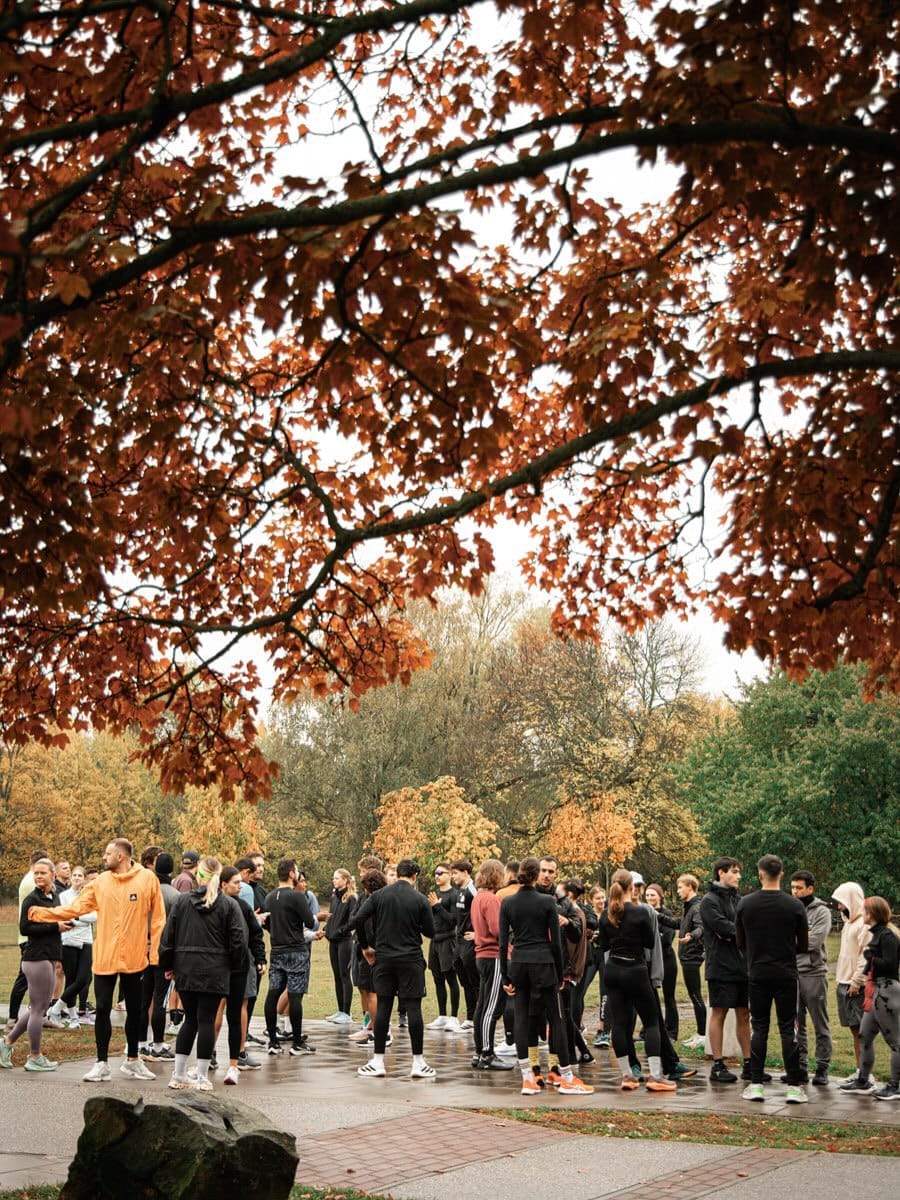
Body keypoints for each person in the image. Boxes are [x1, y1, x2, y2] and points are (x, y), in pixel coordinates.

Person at [28, 837, 165, 1083]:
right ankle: (101, 1063)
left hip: (135, 958)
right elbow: (74, 908)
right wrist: (42, 914)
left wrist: (154, 953)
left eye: (107, 853)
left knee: (135, 1010)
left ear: (121, 856)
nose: (104, 857)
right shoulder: (101, 882)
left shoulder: (147, 879)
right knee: (102, 1008)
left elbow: (158, 920)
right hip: (105, 957)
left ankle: (133, 1060)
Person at [499, 857, 594, 1096]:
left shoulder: (508, 902)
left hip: (519, 962)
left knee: (521, 1018)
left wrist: (505, 976)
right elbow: (555, 943)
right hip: (543, 963)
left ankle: (527, 1078)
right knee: (557, 1019)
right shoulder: (547, 902)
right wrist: (561, 971)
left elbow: (502, 943)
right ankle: (567, 1076)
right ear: (535, 875)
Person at [158, 855, 247, 1091]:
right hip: (215, 970)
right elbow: (239, 942)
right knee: (206, 1020)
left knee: (190, 1020)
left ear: (199, 874)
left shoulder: (182, 902)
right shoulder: (229, 905)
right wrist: (234, 967)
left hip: (185, 968)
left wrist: (167, 965)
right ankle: (201, 1075)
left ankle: (178, 1074)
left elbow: (168, 937)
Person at [352, 858, 437, 1079]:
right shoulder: (419, 899)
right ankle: (418, 1062)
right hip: (410, 959)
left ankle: (378, 1061)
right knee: (414, 1008)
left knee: (383, 1007)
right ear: (415, 876)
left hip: (384, 958)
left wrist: (365, 946)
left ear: (397, 873)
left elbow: (358, 919)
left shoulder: (379, 896)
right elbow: (430, 932)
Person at [735, 854, 809, 1103]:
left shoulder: (746, 904)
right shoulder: (795, 905)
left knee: (760, 1027)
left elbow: (740, 941)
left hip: (757, 972)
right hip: (786, 972)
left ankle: (755, 1084)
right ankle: (794, 1085)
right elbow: (804, 944)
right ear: (782, 874)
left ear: (759, 874)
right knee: (789, 1029)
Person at [594, 869, 676, 1093]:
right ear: (632, 887)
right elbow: (650, 942)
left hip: (613, 970)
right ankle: (655, 1075)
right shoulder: (640, 913)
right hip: (635, 968)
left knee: (619, 1023)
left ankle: (627, 1075)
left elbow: (604, 945)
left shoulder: (605, 914)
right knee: (650, 1022)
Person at [1, 858, 63, 1072]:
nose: (38, 876)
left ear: (52, 875)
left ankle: (6, 1043)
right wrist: (56, 927)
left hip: (49, 956)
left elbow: (56, 921)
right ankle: (34, 1056)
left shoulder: (54, 897)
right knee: (38, 1010)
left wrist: (64, 924)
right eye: (36, 873)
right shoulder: (32, 899)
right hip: (36, 958)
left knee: (40, 1008)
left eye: (42, 873)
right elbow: (25, 928)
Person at [840, 896, 899, 1100]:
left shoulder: (887, 936)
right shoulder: (877, 934)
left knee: (895, 1041)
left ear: (872, 914)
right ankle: (863, 1080)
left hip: (887, 990)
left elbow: (890, 964)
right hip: (876, 990)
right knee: (865, 1035)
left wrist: (870, 958)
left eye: (865, 912)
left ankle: (895, 1085)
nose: (862, 915)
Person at [699, 857, 751, 1084]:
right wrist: (736, 932)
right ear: (721, 873)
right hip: (720, 966)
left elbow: (743, 928)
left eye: (739, 872)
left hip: (742, 966)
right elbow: (723, 928)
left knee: (744, 1013)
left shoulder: (739, 900)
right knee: (719, 1012)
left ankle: (750, 1063)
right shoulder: (709, 901)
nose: (738, 876)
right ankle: (718, 1064)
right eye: (734, 872)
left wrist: (736, 932)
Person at [263, 858, 318, 1055]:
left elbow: (265, 923)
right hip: (296, 950)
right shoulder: (297, 897)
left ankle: (272, 1041)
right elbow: (310, 923)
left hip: (277, 950)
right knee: (295, 996)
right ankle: (296, 1042)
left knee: (273, 994)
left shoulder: (269, 898)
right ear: (291, 874)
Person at [218, 866, 266, 1083]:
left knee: (240, 1007)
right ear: (223, 884)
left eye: (240, 882)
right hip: (219, 964)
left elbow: (256, 934)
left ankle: (240, 1051)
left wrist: (260, 958)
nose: (240, 886)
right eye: (236, 882)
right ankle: (209, 1052)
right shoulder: (217, 905)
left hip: (242, 962)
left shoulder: (244, 906)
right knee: (217, 1006)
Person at [470, 859, 514, 1071]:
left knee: (482, 1005)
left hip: (481, 956)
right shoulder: (491, 900)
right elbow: (498, 930)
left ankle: (479, 1050)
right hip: (494, 956)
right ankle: (487, 1053)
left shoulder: (478, 897)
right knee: (493, 1007)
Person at [789, 869, 832, 1085]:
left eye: (799, 887)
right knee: (797, 1024)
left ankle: (822, 1067)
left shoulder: (821, 912)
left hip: (814, 973)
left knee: (820, 1022)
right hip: (792, 973)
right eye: (793, 887)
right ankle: (800, 1067)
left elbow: (813, 942)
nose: (795, 891)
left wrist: (789, 944)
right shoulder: (789, 909)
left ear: (810, 888)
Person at [138, 852, 180, 1062]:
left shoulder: (145, 890)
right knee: (160, 1000)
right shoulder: (174, 896)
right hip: (163, 953)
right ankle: (157, 1044)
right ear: (172, 871)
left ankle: (141, 1043)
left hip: (143, 949)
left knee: (144, 999)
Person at [831, 881, 871, 1084]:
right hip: (843, 983)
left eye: (841, 902)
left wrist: (857, 982)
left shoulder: (863, 924)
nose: (839, 907)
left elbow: (866, 956)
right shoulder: (849, 923)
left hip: (855, 986)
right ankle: (859, 1071)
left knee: (861, 1032)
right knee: (854, 1031)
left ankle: (865, 1075)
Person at [47, 865, 96, 1029]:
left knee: (84, 978)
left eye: (79, 876)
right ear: (71, 878)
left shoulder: (89, 895)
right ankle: (74, 1017)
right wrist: (77, 919)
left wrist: (78, 919)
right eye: (74, 875)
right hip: (68, 940)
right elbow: (65, 915)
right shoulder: (64, 896)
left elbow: (95, 916)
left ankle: (56, 1008)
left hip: (86, 940)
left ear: (84, 879)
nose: (76, 878)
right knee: (71, 979)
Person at [348, 868, 388, 1045]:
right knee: (365, 988)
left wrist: (367, 947)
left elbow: (360, 922)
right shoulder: (369, 899)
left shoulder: (377, 901)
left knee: (372, 992)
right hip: (367, 949)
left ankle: (380, 1032)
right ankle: (371, 1026)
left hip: (374, 951)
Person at [426, 863, 462, 1032]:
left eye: (440, 872)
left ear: (449, 875)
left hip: (448, 940)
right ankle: (442, 1015)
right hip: (435, 941)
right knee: (437, 978)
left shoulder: (454, 895)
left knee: (450, 978)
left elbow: (453, 920)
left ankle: (454, 1017)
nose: (437, 876)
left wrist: (437, 906)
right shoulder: (435, 894)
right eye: (435, 873)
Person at [675, 873, 706, 1049]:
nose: (678, 890)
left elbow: (701, 927)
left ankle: (703, 1034)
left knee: (695, 996)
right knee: (694, 995)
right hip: (687, 957)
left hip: (692, 957)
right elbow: (679, 923)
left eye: (680, 887)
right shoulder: (689, 907)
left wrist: (691, 937)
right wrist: (658, 916)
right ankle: (701, 1033)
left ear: (690, 887)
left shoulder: (697, 907)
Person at [646, 883, 680, 1040]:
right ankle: (648, 1030)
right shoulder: (644, 912)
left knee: (668, 996)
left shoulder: (666, 913)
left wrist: (653, 938)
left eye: (653, 895)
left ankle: (671, 1031)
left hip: (666, 959)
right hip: (650, 961)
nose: (650, 898)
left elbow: (667, 938)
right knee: (649, 997)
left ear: (660, 896)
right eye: (647, 895)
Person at [324, 868, 357, 1025]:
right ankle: (340, 1010)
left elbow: (351, 922)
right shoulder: (334, 897)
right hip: (333, 941)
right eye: (334, 878)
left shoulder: (351, 898)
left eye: (337, 878)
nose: (334, 880)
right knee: (337, 976)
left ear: (345, 880)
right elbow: (331, 916)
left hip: (344, 941)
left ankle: (347, 1011)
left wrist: (339, 931)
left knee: (345, 975)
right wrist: (327, 930)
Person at [450, 859, 479, 1030]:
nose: (453, 876)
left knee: (474, 980)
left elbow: (482, 910)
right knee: (464, 981)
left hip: (470, 941)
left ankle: (478, 1017)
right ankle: (469, 1017)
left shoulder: (472, 890)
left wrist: (478, 934)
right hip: (459, 941)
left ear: (466, 872)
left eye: (455, 873)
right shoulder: (460, 891)